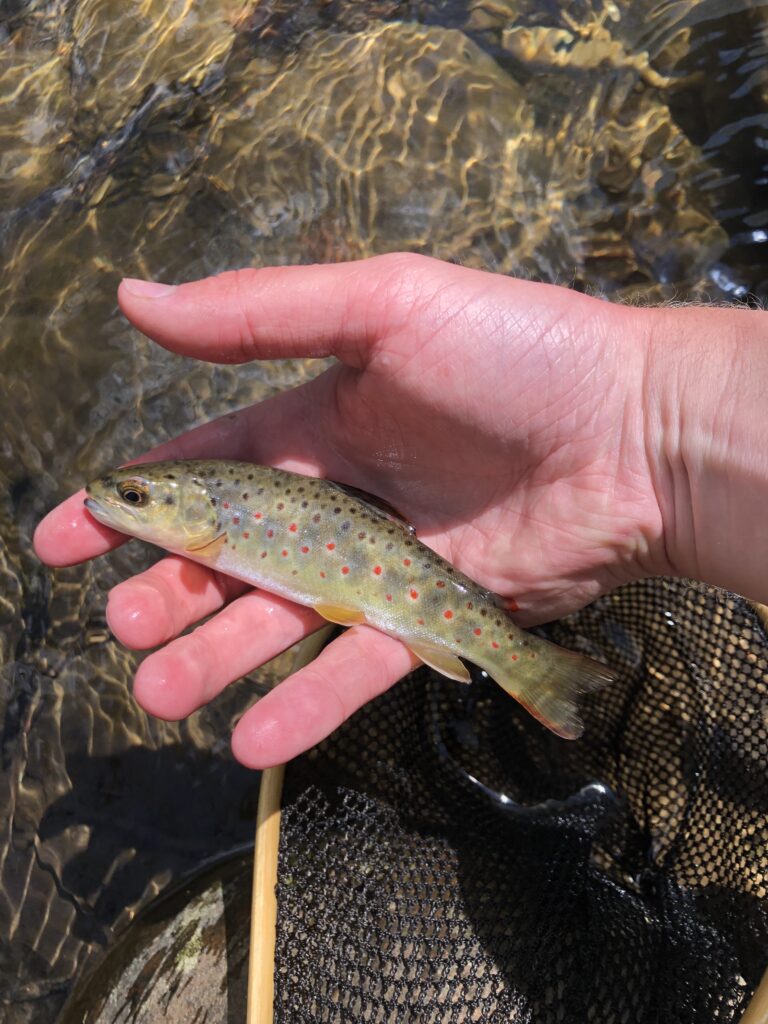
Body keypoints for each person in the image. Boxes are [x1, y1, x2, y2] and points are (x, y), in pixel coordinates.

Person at [32, 253, 768, 768]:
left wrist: (641, 413)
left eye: (134, 499)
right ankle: (528, 666)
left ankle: (532, 668)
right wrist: (646, 416)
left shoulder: (227, 512)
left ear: (198, 509)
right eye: (133, 497)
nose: (118, 504)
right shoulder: (219, 516)